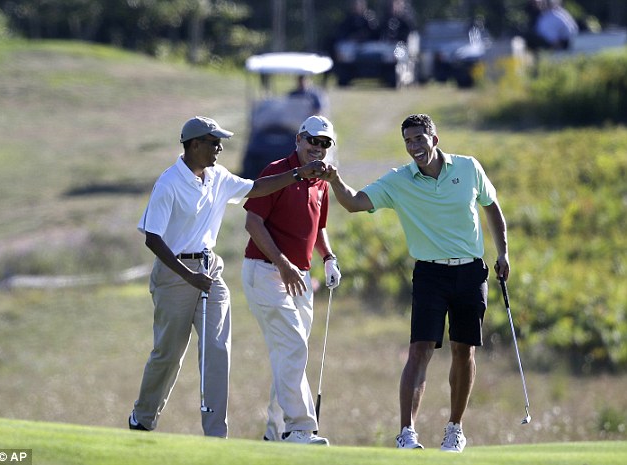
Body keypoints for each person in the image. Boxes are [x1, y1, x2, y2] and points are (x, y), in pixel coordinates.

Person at [321, 113, 509, 453]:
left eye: (419, 139)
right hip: (430, 274)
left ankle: (455, 429)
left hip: (470, 272)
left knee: (463, 350)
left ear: (434, 139)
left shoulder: (467, 168)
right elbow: (354, 203)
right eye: (408, 141)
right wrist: (334, 180)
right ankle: (407, 432)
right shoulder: (398, 181)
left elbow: (491, 207)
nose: (414, 147)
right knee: (419, 350)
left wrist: (504, 253)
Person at [129, 116, 327, 437]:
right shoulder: (168, 183)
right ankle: (143, 418)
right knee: (168, 355)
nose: (219, 148)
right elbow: (153, 237)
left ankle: (216, 436)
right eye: (213, 142)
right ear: (194, 145)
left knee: (217, 351)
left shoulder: (218, 176)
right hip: (174, 274)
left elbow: (257, 188)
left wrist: (297, 174)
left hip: (210, 271)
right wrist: (187, 276)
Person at [241, 115, 341, 445]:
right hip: (265, 271)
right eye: (313, 141)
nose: (318, 148)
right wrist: (282, 263)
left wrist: (327, 257)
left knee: (288, 355)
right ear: (299, 139)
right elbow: (253, 222)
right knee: (294, 346)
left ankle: (274, 432)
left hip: (299, 276)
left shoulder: (322, 181)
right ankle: (299, 428)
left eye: (325, 144)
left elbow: (318, 228)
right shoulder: (276, 172)